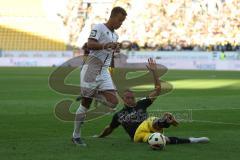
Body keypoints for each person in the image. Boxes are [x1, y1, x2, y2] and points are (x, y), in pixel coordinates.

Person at [96, 58, 209, 145]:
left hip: (149, 130)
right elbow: (109, 128)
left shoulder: (141, 103)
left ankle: (190, 138)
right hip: (138, 135)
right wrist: (99, 136)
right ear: (123, 99)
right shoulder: (118, 115)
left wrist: (154, 73)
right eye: (128, 98)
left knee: (158, 132)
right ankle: (166, 122)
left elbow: (158, 89)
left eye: (132, 97)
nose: (131, 99)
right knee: (158, 131)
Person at [72, 6, 127, 146]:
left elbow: (110, 53)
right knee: (85, 105)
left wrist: (113, 62)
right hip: (91, 68)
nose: (121, 23)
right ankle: (76, 136)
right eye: (120, 20)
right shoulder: (99, 27)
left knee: (113, 103)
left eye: (122, 21)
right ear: (113, 17)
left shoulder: (115, 36)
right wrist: (106, 45)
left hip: (104, 71)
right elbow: (90, 44)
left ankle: (89, 93)